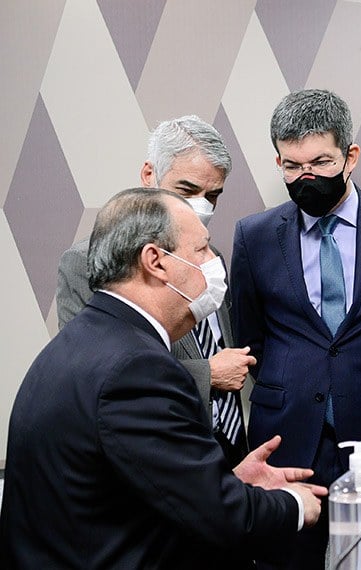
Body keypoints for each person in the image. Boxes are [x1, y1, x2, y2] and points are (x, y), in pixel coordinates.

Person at [0, 188, 327, 569]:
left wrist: (229, 481)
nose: (213, 264)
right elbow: (222, 518)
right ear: (155, 260)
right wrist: (292, 504)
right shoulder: (136, 368)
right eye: (202, 250)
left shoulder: (83, 343)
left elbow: (135, 486)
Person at [230, 88, 361, 569]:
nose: (305, 177)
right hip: (284, 441)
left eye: (320, 162)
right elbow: (250, 336)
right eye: (291, 166)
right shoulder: (254, 236)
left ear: (351, 156)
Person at [56, 116, 253, 467]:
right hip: (163, 457)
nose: (202, 207)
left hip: (229, 452)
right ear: (149, 176)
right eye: (187, 190)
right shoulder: (85, 263)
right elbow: (94, 379)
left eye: (213, 195)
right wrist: (208, 375)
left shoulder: (213, 257)